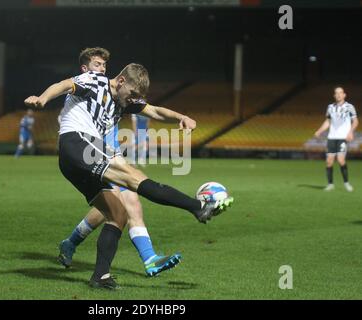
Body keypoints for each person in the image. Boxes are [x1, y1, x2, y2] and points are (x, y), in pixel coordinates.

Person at [25, 63, 234, 289]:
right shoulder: (96, 81)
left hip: (76, 159)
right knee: (134, 178)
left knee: (118, 214)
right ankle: (198, 207)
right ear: (122, 81)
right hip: (77, 142)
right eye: (133, 94)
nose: (134, 99)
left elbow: (153, 110)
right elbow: (65, 84)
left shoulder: (124, 101)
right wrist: (43, 97)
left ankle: (100, 276)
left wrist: (181, 116)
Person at [58, 48, 181, 277]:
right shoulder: (85, 90)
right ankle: (149, 258)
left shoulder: (113, 96)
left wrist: (178, 118)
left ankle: (71, 243)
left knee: (115, 208)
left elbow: (146, 108)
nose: (102, 70)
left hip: (111, 152)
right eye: (97, 65)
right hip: (91, 153)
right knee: (127, 203)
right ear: (84, 70)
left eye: (104, 66)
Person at [314, 86, 358, 192]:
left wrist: (351, 132)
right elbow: (328, 121)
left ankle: (346, 183)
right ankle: (330, 184)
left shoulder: (349, 107)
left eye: (340, 93)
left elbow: (355, 121)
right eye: (336, 93)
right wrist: (319, 130)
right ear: (334, 95)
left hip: (343, 137)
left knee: (341, 160)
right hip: (331, 137)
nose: (338, 95)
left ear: (344, 95)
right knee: (329, 161)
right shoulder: (330, 107)